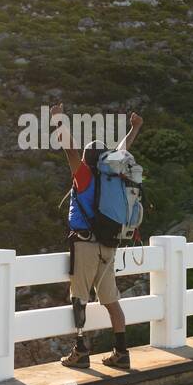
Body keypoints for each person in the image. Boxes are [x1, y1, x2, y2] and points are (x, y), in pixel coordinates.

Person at [49, 103, 142, 369]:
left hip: (85, 243)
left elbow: (70, 149)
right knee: (111, 300)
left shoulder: (84, 175)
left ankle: (80, 351)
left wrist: (58, 119)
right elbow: (124, 150)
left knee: (79, 298)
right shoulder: (113, 176)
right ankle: (121, 352)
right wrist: (134, 128)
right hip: (108, 244)